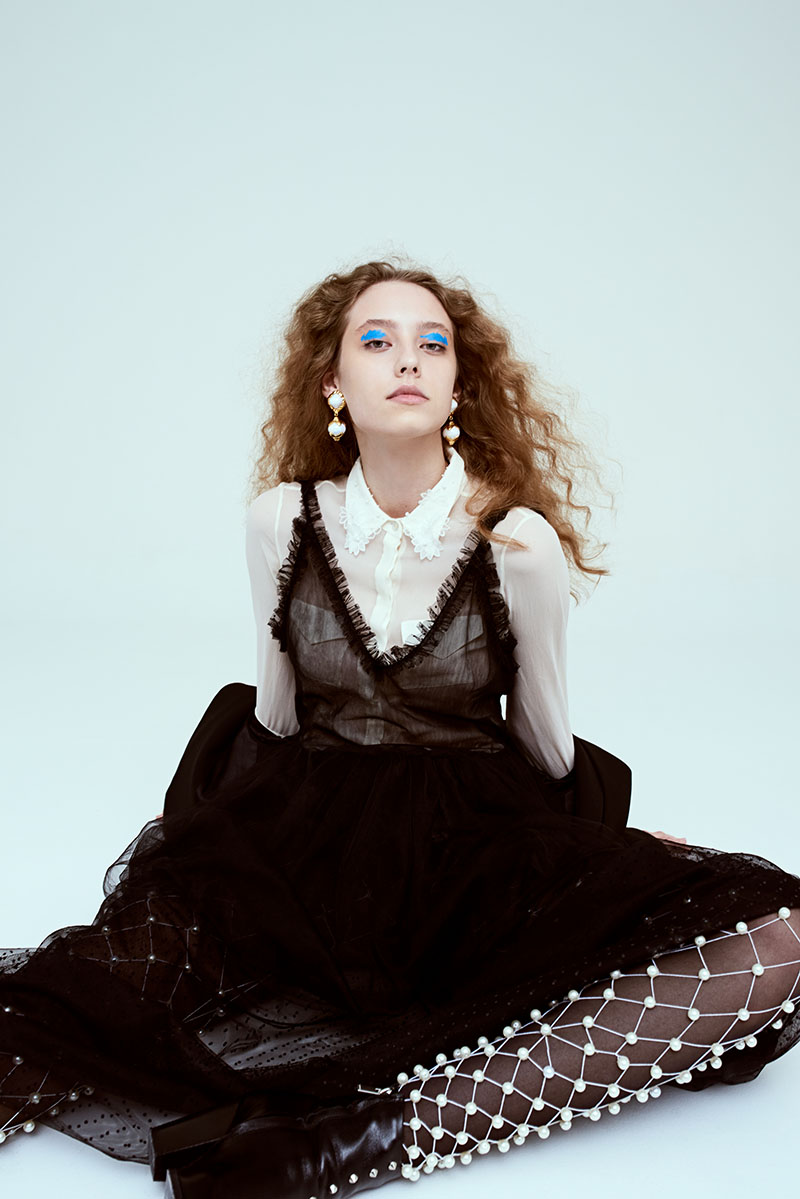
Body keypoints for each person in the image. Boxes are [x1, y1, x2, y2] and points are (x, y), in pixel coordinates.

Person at [1, 260, 799, 1199]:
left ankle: (355, 1139)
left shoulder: (517, 542)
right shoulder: (279, 522)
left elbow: (545, 740)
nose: (407, 359)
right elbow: (275, 714)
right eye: (376, 341)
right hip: (300, 838)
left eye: (433, 344)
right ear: (333, 383)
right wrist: (218, 857)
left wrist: (618, 859)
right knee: (73, 999)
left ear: (459, 386)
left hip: (471, 859)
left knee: (778, 942)